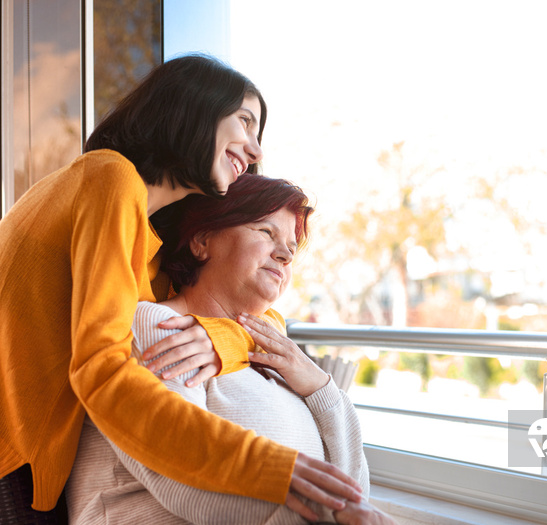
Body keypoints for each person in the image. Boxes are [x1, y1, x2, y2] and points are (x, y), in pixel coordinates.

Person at [0, 55, 360, 522]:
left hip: (34, 463)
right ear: (193, 109)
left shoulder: (146, 246)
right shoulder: (109, 179)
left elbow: (252, 318)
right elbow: (101, 370)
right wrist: (272, 471)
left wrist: (223, 337)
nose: (254, 151)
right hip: (13, 463)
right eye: (245, 123)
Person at [66, 173, 396, 524]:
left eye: (292, 246)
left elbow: (353, 489)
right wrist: (325, 511)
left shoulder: (270, 346)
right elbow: (183, 480)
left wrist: (318, 385)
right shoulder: (160, 326)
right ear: (202, 240)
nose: (285, 254)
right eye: (266, 232)